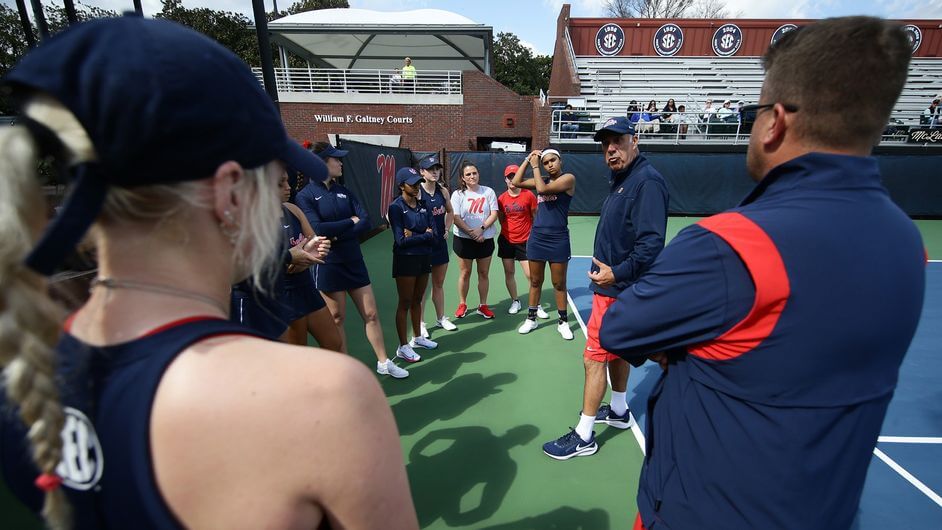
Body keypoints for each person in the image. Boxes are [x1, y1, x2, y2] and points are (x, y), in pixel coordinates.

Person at [0, 15, 418, 529]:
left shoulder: (21, 375)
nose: (281, 196)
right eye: (274, 180)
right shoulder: (323, 396)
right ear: (230, 193)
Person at [599, 17, 923, 530]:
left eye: (753, 114)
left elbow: (619, 329)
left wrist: (682, 347)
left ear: (775, 122)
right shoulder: (907, 243)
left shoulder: (729, 245)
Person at [541, 117, 668, 460]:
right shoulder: (624, 178)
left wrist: (617, 273)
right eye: (605, 144)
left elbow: (651, 245)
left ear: (635, 140)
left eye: (617, 141)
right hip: (613, 287)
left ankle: (584, 435)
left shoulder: (646, 183)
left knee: (593, 358)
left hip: (618, 288)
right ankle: (619, 409)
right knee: (614, 352)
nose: (610, 149)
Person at [296, 142, 410, 377]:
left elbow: (366, 220)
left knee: (371, 313)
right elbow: (316, 228)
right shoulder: (305, 195)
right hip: (328, 263)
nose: (340, 162)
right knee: (337, 318)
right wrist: (350, 222)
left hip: (353, 259)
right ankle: (345, 371)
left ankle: (383, 362)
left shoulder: (345, 190)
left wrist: (337, 232)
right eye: (335, 159)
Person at [511, 149, 576, 340]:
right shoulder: (542, 179)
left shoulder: (568, 179)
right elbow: (515, 182)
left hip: (558, 239)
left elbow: (542, 190)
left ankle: (563, 322)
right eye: (545, 162)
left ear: (560, 161)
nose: (549, 165)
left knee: (558, 283)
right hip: (538, 238)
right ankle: (531, 319)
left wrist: (535, 166)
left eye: (552, 160)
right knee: (535, 281)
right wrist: (527, 159)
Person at [276, 173, 343, 351]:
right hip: (283, 293)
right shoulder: (255, 219)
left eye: (286, 180)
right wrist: (294, 258)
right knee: (299, 353)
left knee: (333, 343)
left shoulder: (292, 209)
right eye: (280, 184)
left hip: (306, 286)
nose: (288, 187)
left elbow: (314, 242)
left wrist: (321, 247)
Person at [388, 167, 439, 363]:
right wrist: (423, 235)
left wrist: (416, 235)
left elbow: (434, 236)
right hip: (405, 259)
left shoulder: (424, 204)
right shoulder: (395, 207)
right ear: (402, 186)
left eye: (418, 183)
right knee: (405, 302)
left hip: (424, 257)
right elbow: (400, 240)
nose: (417, 186)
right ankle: (403, 346)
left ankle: (418, 338)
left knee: (418, 299)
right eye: (412, 183)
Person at [450, 160, 499, 319]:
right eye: (468, 174)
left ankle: (483, 305)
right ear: (462, 178)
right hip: (464, 240)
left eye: (474, 173)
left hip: (485, 239)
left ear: (478, 174)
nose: (472, 176)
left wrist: (481, 230)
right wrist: (472, 233)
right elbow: (455, 217)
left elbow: (494, 214)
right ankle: (462, 304)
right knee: (465, 272)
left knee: (483, 273)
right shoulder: (457, 194)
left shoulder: (488, 192)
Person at [417, 155, 458, 337]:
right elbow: (395, 214)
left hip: (439, 243)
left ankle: (441, 318)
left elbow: (450, 212)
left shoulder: (443, 192)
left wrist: (447, 228)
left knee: (438, 283)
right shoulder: (416, 192)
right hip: (422, 245)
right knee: (422, 286)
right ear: (421, 172)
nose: (434, 172)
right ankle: (420, 322)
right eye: (430, 169)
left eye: (437, 168)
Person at [496, 164, 544, 316]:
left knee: (531, 275)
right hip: (506, 240)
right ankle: (515, 301)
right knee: (509, 272)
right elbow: (501, 219)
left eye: (514, 176)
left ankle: (537, 304)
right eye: (509, 177)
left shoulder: (529, 195)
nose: (512, 180)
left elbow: (535, 216)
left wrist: (535, 235)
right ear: (505, 179)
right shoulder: (501, 199)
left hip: (525, 241)